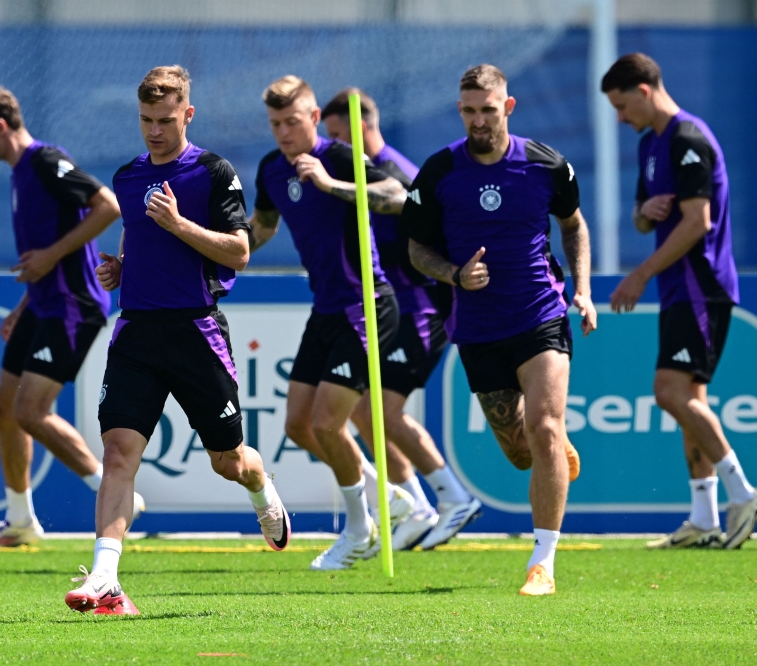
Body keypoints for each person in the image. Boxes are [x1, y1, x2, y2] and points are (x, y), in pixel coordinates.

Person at [66, 66, 289, 615]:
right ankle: (105, 581)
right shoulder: (127, 176)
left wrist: (179, 226)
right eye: (146, 120)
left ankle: (261, 488)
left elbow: (239, 251)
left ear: (187, 114)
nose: (155, 131)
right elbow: (138, 232)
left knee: (228, 461)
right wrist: (124, 265)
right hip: (137, 330)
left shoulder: (213, 171)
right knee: (118, 454)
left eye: (166, 120)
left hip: (196, 331)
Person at [401, 64, 594, 595]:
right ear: (459, 110)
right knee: (520, 451)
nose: (479, 120)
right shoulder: (439, 172)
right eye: (469, 111)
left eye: (489, 109)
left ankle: (543, 563)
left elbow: (573, 224)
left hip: (541, 313)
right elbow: (417, 250)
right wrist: (455, 274)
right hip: (478, 327)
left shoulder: (546, 165)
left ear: (507, 108)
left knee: (546, 427)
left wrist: (582, 289)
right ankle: (552, 446)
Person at [0, 86, 143, 549]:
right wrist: (22, 307)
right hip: (41, 305)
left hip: (72, 307)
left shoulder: (44, 160)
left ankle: (115, 489)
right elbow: (42, 255)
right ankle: (20, 521)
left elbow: (108, 206)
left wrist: (50, 259)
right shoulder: (20, 172)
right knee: (2, 408)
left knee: (29, 411)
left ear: (2, 127)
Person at [249, 75, 411, 570]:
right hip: (326, 306)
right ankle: (391, 497)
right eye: (276, 123)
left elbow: (398, 195)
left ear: (314, 118)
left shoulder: (338, 157)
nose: (283, 132)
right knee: (298, 425)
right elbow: (260, 229)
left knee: (327, 422)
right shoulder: (271, 170)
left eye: (292, 121)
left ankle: (360, 530)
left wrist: (332, 184)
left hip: (366, 303)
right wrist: (212, 250)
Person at [602, 53, 756, 550]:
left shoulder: (689, 139)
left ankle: (744, 493)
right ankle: (704, 518)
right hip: (678, 289)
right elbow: (643, 219)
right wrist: (645, 212)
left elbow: (697, 222)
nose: (621, 118)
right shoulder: (652, 144)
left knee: (669, 393)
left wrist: (640, 274)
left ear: (643, 92)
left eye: (623, 106)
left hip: (700, 285)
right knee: (689, 400)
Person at [322, 87, 480, 551]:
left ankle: (454, 497)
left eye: (339, 136)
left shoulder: (395, 173)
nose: (334, 147)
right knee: (362, 410)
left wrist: (337, 188)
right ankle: (416, 504)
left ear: (364, 127)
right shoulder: (361, 172)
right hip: (394, 309)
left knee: (383, 410)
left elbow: (413, 214)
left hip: (423, 308)